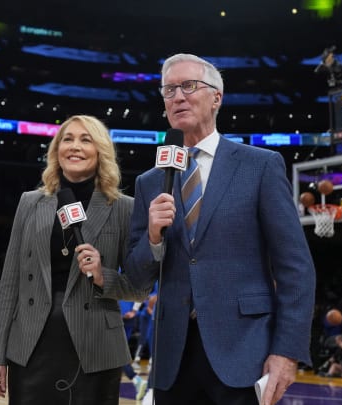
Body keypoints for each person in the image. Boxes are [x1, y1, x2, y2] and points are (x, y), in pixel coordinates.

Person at [124, 53, 316, 405]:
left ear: (217, 97)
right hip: (171, 358)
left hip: (245, 352)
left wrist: (287, 351)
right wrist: (152, 237)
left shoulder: (260, 166)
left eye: (188, 86)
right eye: (169, 90)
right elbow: (135, 280)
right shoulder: (149, 183)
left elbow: (296, 267)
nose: (177, 96)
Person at [0, 115, 148, 404]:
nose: (75, 146)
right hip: (32, 346)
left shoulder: (125, 208)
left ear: (101, 151)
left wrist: (103, 275)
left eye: (86, 140)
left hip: (96, 349)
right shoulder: (29, 203)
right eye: (67, 139)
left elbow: (139, 287)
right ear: (56, 150)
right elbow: (10, 283)